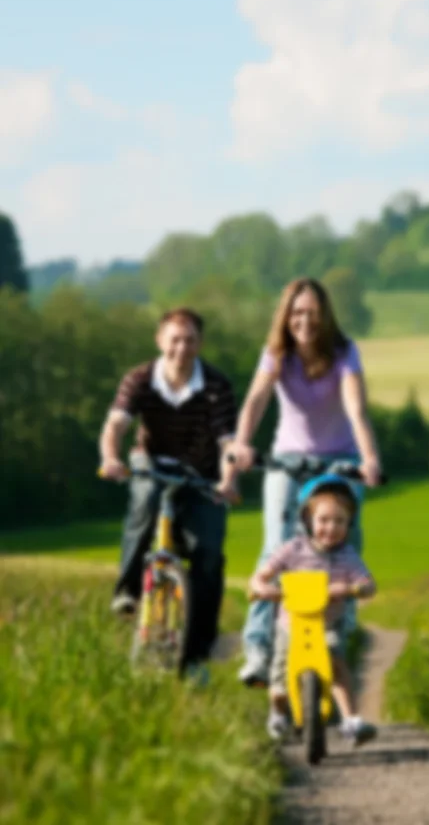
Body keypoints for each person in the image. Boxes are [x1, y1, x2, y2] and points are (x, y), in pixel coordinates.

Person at [230, 277, 382, 686]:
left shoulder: (344, 352)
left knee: (344, 545)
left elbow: (356, 409)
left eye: (313, 313)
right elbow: (256, 401)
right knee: (276, 547)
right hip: (288, 458)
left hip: (341, 459)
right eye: (297, 313)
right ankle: (259, 649)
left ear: (325, 315)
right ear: (286, 316)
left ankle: (340, 635)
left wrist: (369, 459)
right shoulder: (276, 353)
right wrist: (242, 443)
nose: (305, 321)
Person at [98, 307, 239, 677]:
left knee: (208, 553)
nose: (181, 348)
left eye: (190, 340)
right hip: (152, 463)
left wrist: (228, 480)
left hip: (202, 473)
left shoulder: (216, 385)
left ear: (200, 343)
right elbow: (115, 425)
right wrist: (111, 457)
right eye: (174, 339)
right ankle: (127, 591)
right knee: (145, 500)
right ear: (160, 341)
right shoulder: (140, 379)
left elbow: (228, 442)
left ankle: (199, 650)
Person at [250, 476, 378, 745]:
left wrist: (354, 588)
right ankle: (278, 714)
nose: (331, 528)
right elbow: (263, 574)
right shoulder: (292, 549)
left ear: (349, 524)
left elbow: (368, 583)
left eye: (340, 521)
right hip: (291, 626)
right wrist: (261, 587)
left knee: (337, 664)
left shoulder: (348, 556)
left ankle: (350, 720)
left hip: (328, 625)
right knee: (280, 682)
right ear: (307, 519)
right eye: (323, 520)